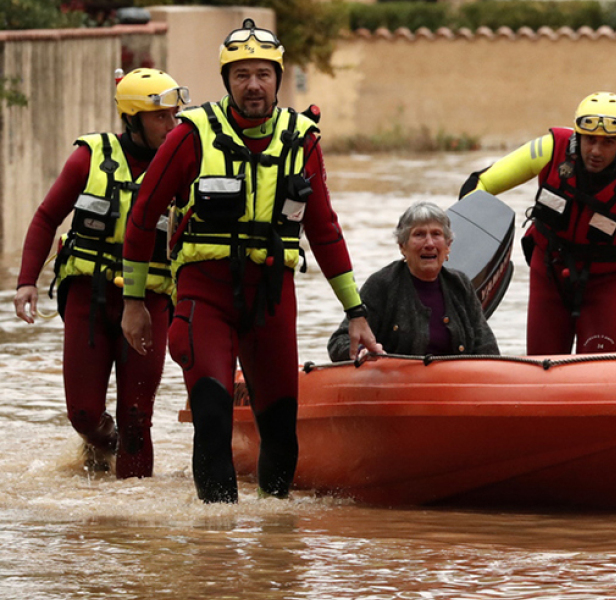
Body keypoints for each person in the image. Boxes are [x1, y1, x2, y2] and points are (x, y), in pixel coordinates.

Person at [120, 18, 380, 503]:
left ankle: (273, 547)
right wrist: (134, 301)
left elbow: (324, 231)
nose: (253, 85)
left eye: (263, 73)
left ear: (278, 78)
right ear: (227, 81)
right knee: (213, 419)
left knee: (281, 430)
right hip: (204, 295)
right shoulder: (190, 134)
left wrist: (356, 313)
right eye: (242, 75)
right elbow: (142, 215)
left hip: (273, 300)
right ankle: (215, 549)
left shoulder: (303, 139)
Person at [12, 68, 188, 478]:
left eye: (175, 116)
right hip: (87, 298)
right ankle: (102, 448)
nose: (172, 125)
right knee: (84, 414)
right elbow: (45, 217)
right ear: (133, 118)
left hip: (151, 300)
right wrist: (26, 282)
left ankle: (130, 526)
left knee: (137, 420)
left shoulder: (183, 163)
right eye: (161, 117)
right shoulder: (89, 157)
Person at [458, 92, 616, 355]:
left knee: (593, 373)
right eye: (590, 139)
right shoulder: (549, 149)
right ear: (578, 136)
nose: (596, 151)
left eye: (608, 143)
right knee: (541, 366)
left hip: (605, 286)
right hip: (549, 276)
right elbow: (481, 183)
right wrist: (463, 246)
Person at [327, 201, 499, 361]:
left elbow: (487, 347)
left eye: (436, 234)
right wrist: (362, 352)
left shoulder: (460, 284)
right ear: (402, 246)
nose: (429, 243)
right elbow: (338, 342)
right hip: (396, 388)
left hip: (456, 387)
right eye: (419, 235)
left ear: (448, 246)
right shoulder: (382, 284)